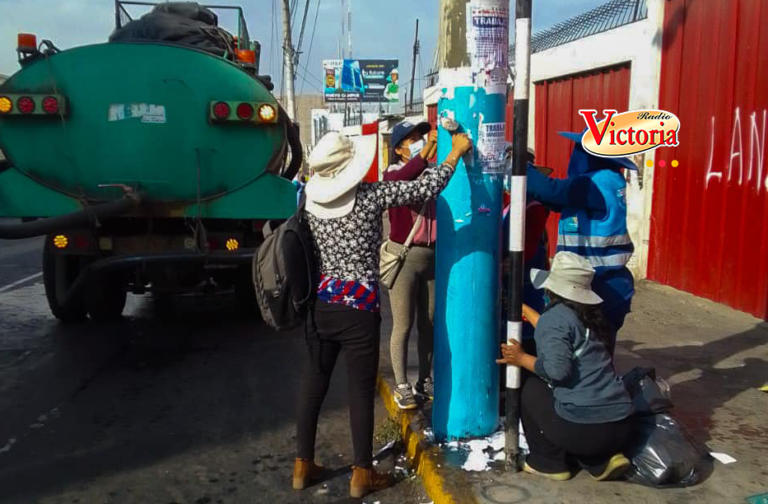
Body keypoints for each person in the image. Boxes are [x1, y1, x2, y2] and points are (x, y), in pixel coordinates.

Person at [293, 131, 473, 498]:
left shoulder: (308, 202)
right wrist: (453, 153)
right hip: (359, 309)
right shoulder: (371, 195)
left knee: (313, 386)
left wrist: (423, 155)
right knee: (359, 391)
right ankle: (362, 473)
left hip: (320, 307)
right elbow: (429, 187)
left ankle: (302, 466)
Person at [496, 251, 635, 482]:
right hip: (622, 426)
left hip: (587, 430)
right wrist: (528, 312)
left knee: (528, 386)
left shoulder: (556, 318)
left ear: (553, 288)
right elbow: (563, 334)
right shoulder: (593, 315)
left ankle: (546, 461)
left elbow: (557, 371)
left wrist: (520, 358)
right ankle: (600, 460)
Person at [525, 131, 637, 355]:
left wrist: (521, 166)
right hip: (605, 283)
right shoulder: (604, 182)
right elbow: (557, 200)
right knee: (593, 355)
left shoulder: (598, 181)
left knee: (589, 358)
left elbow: (551, 191)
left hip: (597, 285)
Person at [383, 120, 439, 410]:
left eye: (421, 136)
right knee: (403, 325)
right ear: (398, 148)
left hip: (431, 257)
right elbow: (404, 176)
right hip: (404, 256)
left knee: (428, 324)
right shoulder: (393, 173)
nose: (419, 140)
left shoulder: (430, 173)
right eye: (413, 138)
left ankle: (424, 380)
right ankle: (402, 385)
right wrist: (427, 150)